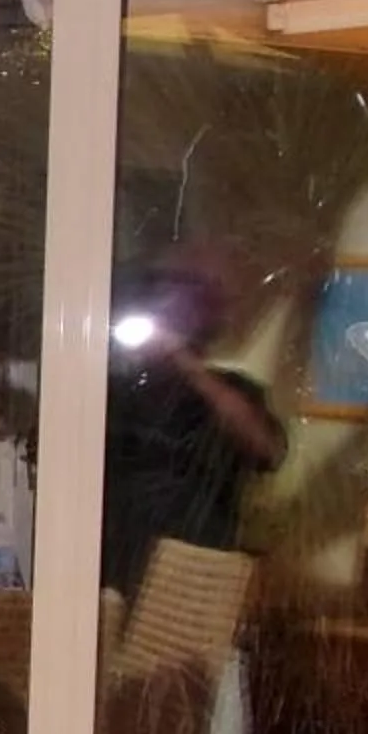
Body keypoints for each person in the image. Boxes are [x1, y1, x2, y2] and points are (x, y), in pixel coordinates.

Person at [102, 247, 284, 597]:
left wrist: (185, 363)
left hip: (193, 578)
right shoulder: (114, 393)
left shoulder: (231, 391)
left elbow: (267, 448)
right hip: (111, 571)